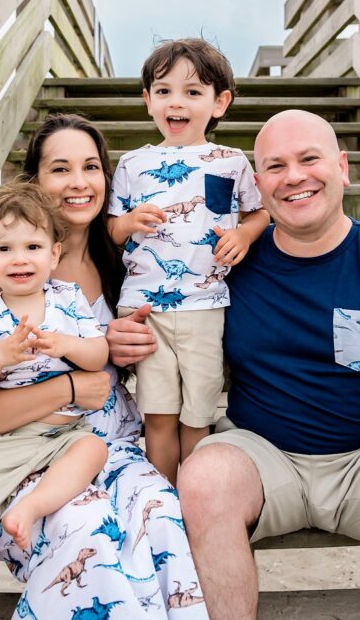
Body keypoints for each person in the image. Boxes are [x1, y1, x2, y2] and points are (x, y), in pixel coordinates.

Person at [108, 110, 360, 618]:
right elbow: (154, 315)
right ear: (257, 183)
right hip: (262, 455)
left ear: (343, 167)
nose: (294, 176)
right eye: (275, 166)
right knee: (201, 480)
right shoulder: (226, 267)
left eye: (309, 159)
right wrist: (121, 339)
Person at [0, 114, 209, 618]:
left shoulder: (122, 260)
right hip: (15, 455)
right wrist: (67, 389)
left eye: (91, 168)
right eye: (60, 169)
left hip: (108, 445)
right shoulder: (1, 275)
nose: (79, 183)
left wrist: (125, 348)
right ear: (34, 183)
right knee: (87, 530)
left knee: (163, 513)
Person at [107, 38, 269, 483]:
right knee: (158, 416)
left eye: (192, 92)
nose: (176, 102)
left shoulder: (232, 161)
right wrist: (127, 224)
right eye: (164, 91)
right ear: (148, 101)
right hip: (146, 306)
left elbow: (259, 211)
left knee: (197, 415)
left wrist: (244, 234)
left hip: (206, 304)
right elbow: (111, 226)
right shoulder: (134, 164)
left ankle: (195, 499)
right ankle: (162, 502)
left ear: (219, 103)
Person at [0, 183, 110, 619]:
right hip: (1, 439)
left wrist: (66, 344)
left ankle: (31, 507)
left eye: (33, 246)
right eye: (4, 248)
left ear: (54, 255)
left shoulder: (68, 300)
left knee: (93, 448)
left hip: (62, 432)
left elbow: (99, 357)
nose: (19, 258)